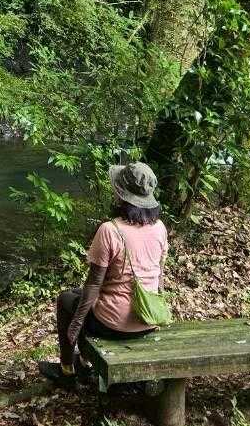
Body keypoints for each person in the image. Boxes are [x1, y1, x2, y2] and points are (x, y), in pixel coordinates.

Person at [40, 161, 168, 381]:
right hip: (149, 318)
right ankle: (84, 361)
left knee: (65, 300)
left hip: (113, 325)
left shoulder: (110, 230)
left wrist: (76, 323)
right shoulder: (160, 228)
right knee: (77, 295)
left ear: (121, 194)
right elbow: (159, 276)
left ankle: (67, 369)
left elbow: (93, 284)